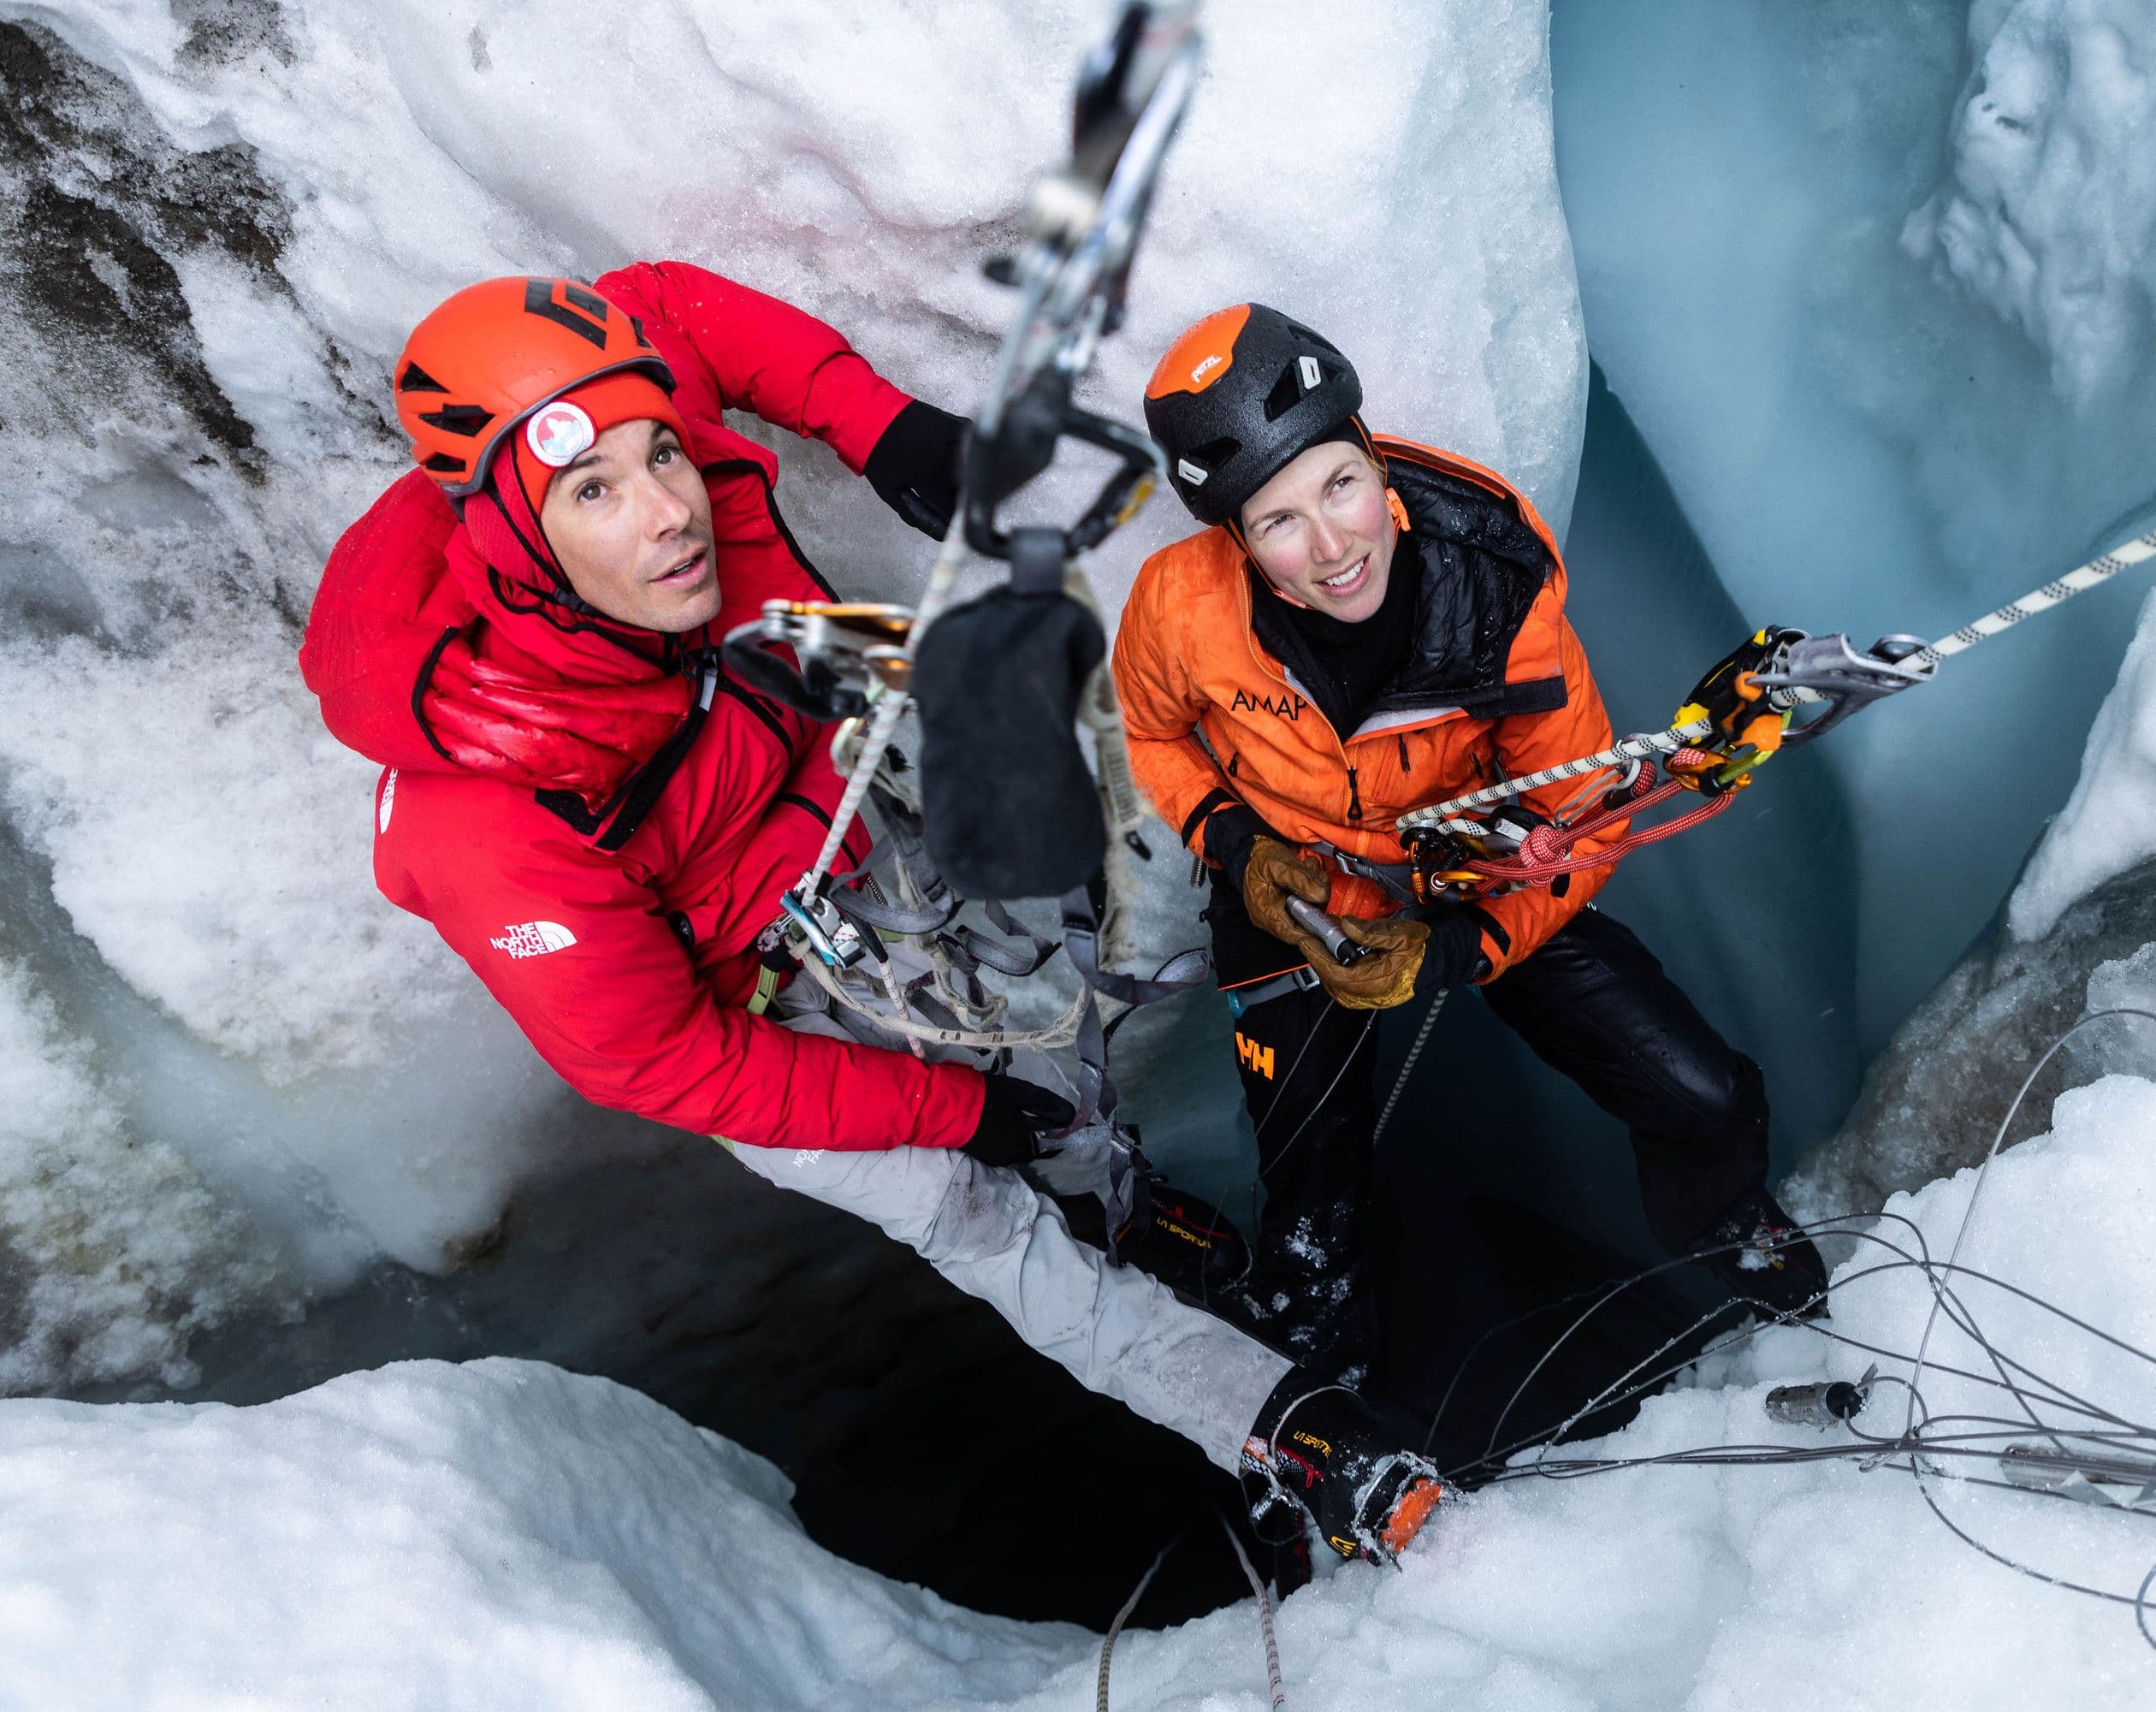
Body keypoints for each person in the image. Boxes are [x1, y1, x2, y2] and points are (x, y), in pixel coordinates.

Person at [297, 266, 1439, 1563]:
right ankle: (1286, 1428)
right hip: (747, 1007)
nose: (674, 511)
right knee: (976, 1217)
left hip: (815, 743)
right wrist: (953, 1111)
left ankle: (1129, 1189)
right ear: (514, 534)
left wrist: (874, 420)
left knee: (1102, 897)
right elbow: (673, 1063)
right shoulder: (491, 830)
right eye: (597, 493)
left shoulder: (566, 386)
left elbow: (674, 304)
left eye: (663, 453)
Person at [1113, 303, 1829, 1386]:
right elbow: (1154, 732)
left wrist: (1456, 951)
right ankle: (1323, 1359)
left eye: (1339, 486)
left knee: (1702, 1095)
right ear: (1237, 539)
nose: (1331, 545)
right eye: (1278, 523)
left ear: (1374, 457)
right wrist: (1232, 843)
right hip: (1288, 883)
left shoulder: (1494, 582)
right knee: (1310, 1184)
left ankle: (1724, 1220)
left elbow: (1580, 817)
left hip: (1477, 864)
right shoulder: (1180, 609)